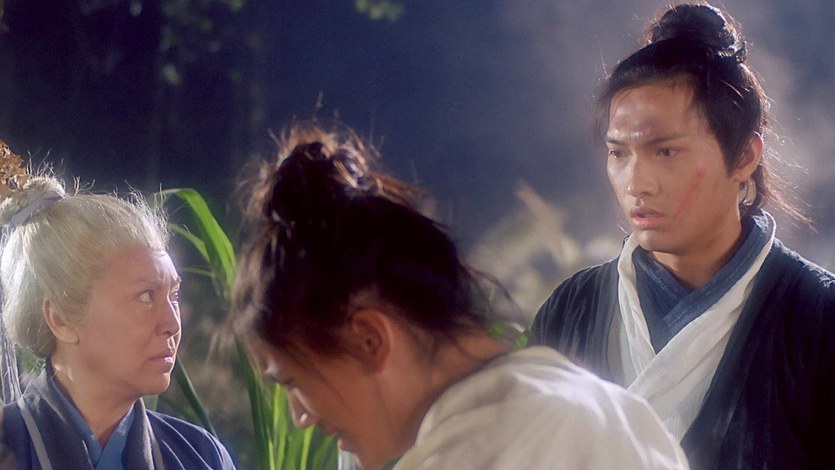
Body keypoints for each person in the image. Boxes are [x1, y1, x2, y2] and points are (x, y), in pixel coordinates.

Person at [233, 122, 689, 470]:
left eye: (292, 382)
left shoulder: (477, 455)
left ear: (370, 339)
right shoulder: (617, 412)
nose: (300, 417)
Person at [531, 3, 835, 469]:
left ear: (744, 156)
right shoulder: (571, 310)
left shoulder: (818, 319)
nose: (637, 183)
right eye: (619, 153)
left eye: (665, 151)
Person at [0, 150, 236, 468]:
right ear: (61, 319)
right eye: (146, 297)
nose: (172, 323)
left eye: (174, 295)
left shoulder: (201, 456)